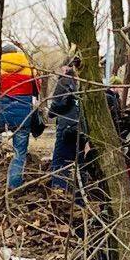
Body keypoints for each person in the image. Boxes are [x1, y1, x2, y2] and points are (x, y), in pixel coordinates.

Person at [0, 48, 40, 190]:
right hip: (22, 115)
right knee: (19, 152)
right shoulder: (29, 69)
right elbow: (37, 90)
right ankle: (14, 186)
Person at [49, 56, 81, 191]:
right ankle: (72, 188)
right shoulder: (79, 82)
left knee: (59, 157)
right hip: (77, 125)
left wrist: (50, 113)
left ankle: (58, 188)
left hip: (65, 124)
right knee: (72, 157)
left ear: (65, 67)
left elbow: (57, 102)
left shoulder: (64, 81)